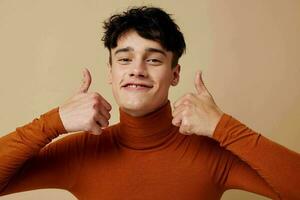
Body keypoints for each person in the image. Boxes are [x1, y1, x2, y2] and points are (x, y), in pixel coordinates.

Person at [0, 6, 299, 200]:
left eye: (154, 59)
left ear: (174, 74)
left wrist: (224, 127)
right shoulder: (82, 152)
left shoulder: (213, 153)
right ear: (111, 72)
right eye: (125, 59)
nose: (137, 69)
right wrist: (54, 122)